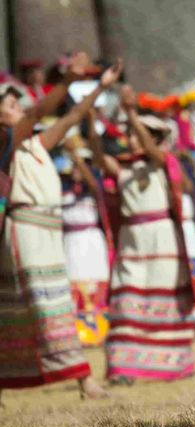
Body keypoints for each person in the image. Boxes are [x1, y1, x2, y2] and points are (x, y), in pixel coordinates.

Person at [0, 52, 117, 400]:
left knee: (55, 304)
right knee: (37, 304)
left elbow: (74, 116)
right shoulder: (9, 141)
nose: (17, 106)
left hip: (48, 231)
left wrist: (99, 86)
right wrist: (67, 80)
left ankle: (83, 379)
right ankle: (84, 379)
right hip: (25, 230)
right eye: (9, 103)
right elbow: (37, 112)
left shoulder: (34, 142)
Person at [95, 85, 195, 384]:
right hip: (132, 240)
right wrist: (89, 124)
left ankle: (172, 363)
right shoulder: (125, 168)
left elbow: (152, 151)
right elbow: (101, 159)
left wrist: (130, 113)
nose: (132, 138)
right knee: (127, 298)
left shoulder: (166, 162)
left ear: (156, 139)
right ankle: (122, 367)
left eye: (141, 133)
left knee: (161, 298)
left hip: (161, 238)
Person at [61, 140, 113, 347]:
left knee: (95, 284)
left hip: (92, 242)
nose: (77, 169)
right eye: (75, 165)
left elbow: (93, 184)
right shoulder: (62, 188)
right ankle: (76, 332)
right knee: (73, 284)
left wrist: (77, 158)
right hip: (70, 242)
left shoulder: (95, 188)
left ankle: (99, 330)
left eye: (83, 165)